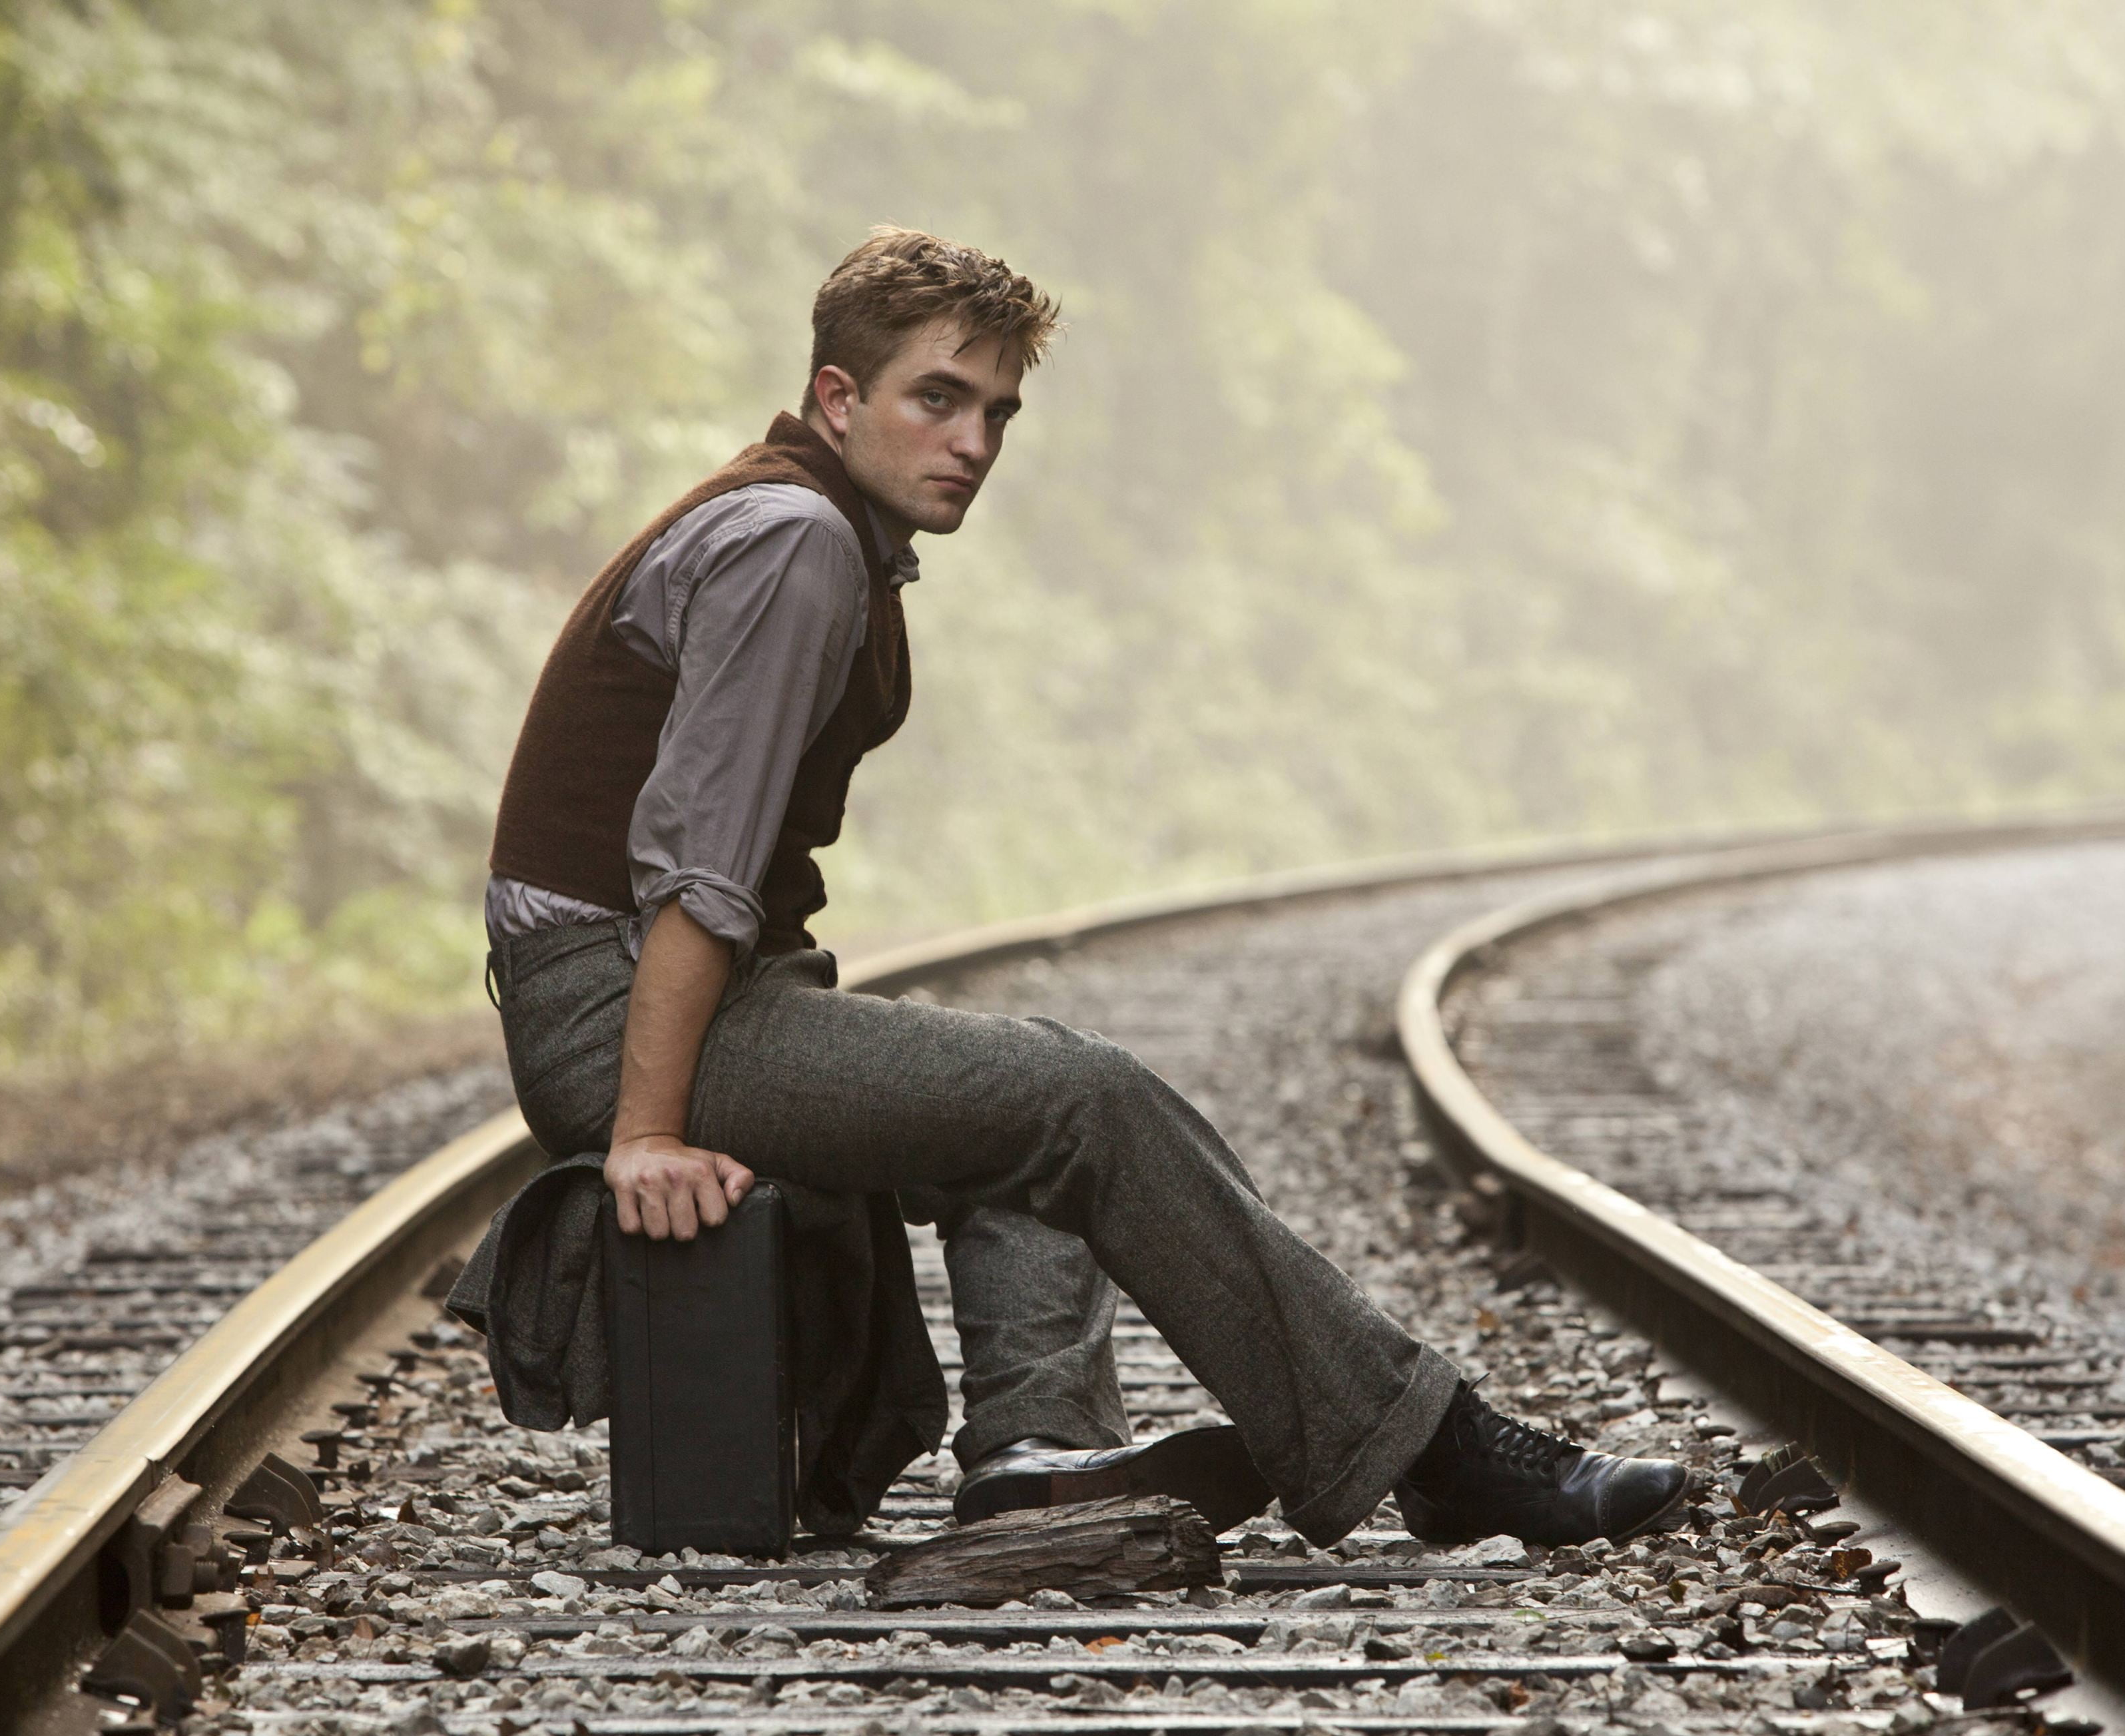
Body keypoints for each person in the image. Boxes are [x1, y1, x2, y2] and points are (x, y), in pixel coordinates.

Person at [473, 226, 1690, 1550]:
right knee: (1080, 1098)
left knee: (1021, 1089)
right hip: (615, 1010)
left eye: (996, 412)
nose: (973, 442)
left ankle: (1035, 1456)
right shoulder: (793, 545)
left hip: (656, 992)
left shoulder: (815, 531)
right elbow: (695, 875)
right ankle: (1437, 1451)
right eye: (935, 398)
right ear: (837, 398)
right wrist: (642, 1133)